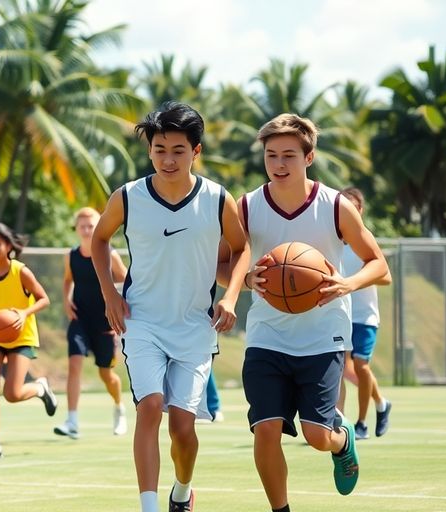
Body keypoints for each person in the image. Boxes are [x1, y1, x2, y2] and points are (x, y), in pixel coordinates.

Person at [91, 101, 250, 512]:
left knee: (182, 426)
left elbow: (243, 247)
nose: (168, 158)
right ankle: (148, 506)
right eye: (159, 149)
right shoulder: (127, 197)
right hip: (141, 321)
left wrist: (231, 296)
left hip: (195, 327)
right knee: (150, 407)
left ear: (196, 152)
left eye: (178, 150)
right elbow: (99, 240)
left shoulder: (217, 198)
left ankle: (182, 490)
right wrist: (110, 294)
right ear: (149, 151)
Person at [240, 114, 389, 512]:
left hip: (323, 334)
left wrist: (347, 283)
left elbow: (379, 264)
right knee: (265, 429)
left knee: (316, 436)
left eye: (289, 155)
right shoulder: (248, 206)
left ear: (309, 157)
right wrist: (244, 280)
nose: (279, 164)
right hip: (266, 334)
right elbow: (222, 265)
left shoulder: (336, 206)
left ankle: (343, 441)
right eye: (271, 155)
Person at [0, 221, 56, 460]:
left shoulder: (21, 271)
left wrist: (23, 313)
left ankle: (40, 388)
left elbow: (43, 299)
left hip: (21, 335)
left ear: (8, 246)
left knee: (12, 393)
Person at [55, 207, 128, 439]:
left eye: (91, 225)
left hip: (105, 323)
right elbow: (68, 280)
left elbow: (127, 281)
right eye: (82, 226)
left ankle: (119, 407)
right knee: (74, 364)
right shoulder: (71, 256)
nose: (87, 230)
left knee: (106, 375)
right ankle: (72, 421)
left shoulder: (110, 254)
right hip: (80, 320)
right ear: (76, 229)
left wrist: (117, 303)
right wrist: (66, 300)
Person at [336, 187, 392, 439]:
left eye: (353, 205)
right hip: (340, 315)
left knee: (360, 366)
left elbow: (386, 277)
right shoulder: (333, 242)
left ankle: (362, 422)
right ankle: (340, 421)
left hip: (365, 317)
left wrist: (355, 281)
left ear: (360, 210)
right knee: (337, 370)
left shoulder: (364, 240)